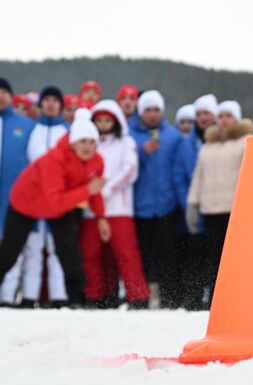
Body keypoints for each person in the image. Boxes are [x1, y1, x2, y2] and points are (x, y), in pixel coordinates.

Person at [0, 109, 109, 306]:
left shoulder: (97, 161)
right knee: (9, 252)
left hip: (60, 204)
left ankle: (77, 299)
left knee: (69, 251)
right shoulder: (55, 160)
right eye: (83, 141)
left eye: (92, 142)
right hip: (26, 202)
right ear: (73, 142)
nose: (88, 146)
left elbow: (95, 191)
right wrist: (87, 190)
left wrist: (101, 217)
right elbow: (57, 201)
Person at [79, 100, 150, 309]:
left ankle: (138, 296)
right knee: (91, 253)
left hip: (119, 207)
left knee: (126, 252)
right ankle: (95, 295)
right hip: (91, 210)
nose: (102, 124)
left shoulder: (126, 142)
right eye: (98, 120)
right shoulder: (88, 143)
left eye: (107, 120)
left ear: (115, 121)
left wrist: (106, 191)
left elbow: (130, 170)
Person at [186, 100, 253, 308]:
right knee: (214, 256)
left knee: (236, 258)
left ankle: (239, 298)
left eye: (228, 115)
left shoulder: (246, 142)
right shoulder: (208, 144)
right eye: (221, 115)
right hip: (210, 208)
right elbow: (199, 175)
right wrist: (192, 203)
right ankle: (217, 299)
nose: (224, 120)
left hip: (234, 208)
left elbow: (251, 174)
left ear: (237, 118)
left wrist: (249, 204)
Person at [16, 86, 69, 308]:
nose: (50, 104)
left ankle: (59, 297)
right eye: (46, 99)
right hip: (35, 201)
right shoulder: (32, 130)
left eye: (54, 100)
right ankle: (29, 296)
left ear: (60, 105)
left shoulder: (67, 132)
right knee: (33, 249)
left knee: (58, 250)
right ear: (40, 105)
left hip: (58, 200)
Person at [130, 90, 183, 308]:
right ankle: (141, 297)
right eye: (148, 110)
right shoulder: (130, 136)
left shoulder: (173, 135)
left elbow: (180, 169)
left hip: (166, 205)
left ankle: (169, 297)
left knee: (167, 253)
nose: (152, 114)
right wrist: (141, 153)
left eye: (156, 110)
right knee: (142, 254)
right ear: (141, 112)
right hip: (139, 205)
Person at [173, 93, 218, 310]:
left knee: (216, 254)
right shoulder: (186, 143)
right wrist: (188, 204)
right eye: (198, 114)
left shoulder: (222, 142)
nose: (202, 118)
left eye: (206, 113)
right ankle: (192, 298)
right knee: (194, 255)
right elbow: (179, 175)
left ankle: (215, 300)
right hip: (193, 208)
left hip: (217, 207)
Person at [0, 79, 36, 306]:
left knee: (12, 248)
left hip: (14, 200)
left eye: (4, 92)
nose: (1, 96)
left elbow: (35, 163)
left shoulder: (26, 125)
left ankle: (7, 297)